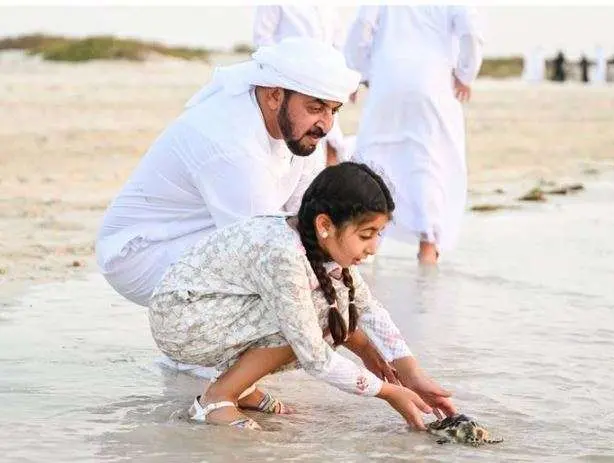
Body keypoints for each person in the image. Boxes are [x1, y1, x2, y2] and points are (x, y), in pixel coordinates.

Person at [97, 37, 396, 383]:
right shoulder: (231, 146)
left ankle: (211, 358)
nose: (326, 125)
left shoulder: (299, 132)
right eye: (316, 108)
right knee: (293, 286)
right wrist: (362, 351)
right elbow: (267, 253)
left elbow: (314, 227)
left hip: (201, 236)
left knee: (308, 277)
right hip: (140, 255)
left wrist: (392, 352)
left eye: (334, 110)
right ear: (274, 95)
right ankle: (204, 360)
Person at [149, 162, 457, 430]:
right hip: (182, 320)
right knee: (318, 313)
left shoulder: (317, 245)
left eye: (379, 234)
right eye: (365, 235)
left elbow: (368, 309)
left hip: (213, 310)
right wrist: (387, 392)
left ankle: (242, 386)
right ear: (325, 224)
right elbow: (315, 357)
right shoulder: (284, 255)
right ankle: (217, 399)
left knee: (331, 302)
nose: (374, 247)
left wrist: (412, 374)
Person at [344, 6, 483, 264]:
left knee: (374, 156)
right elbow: (471, 31)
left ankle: (366, 244)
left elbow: (362, 24)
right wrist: (466, 73)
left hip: (387, 77)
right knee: (429, 160)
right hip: (433, 80)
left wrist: (359, 72)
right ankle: (428, 247)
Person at [253, 5, 352, 165]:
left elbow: (338, 44)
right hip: (292, 85)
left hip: (326, 85)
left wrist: (341, 79)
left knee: (330, 140)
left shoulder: (329, 7)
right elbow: (262, 39)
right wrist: (289, 71)